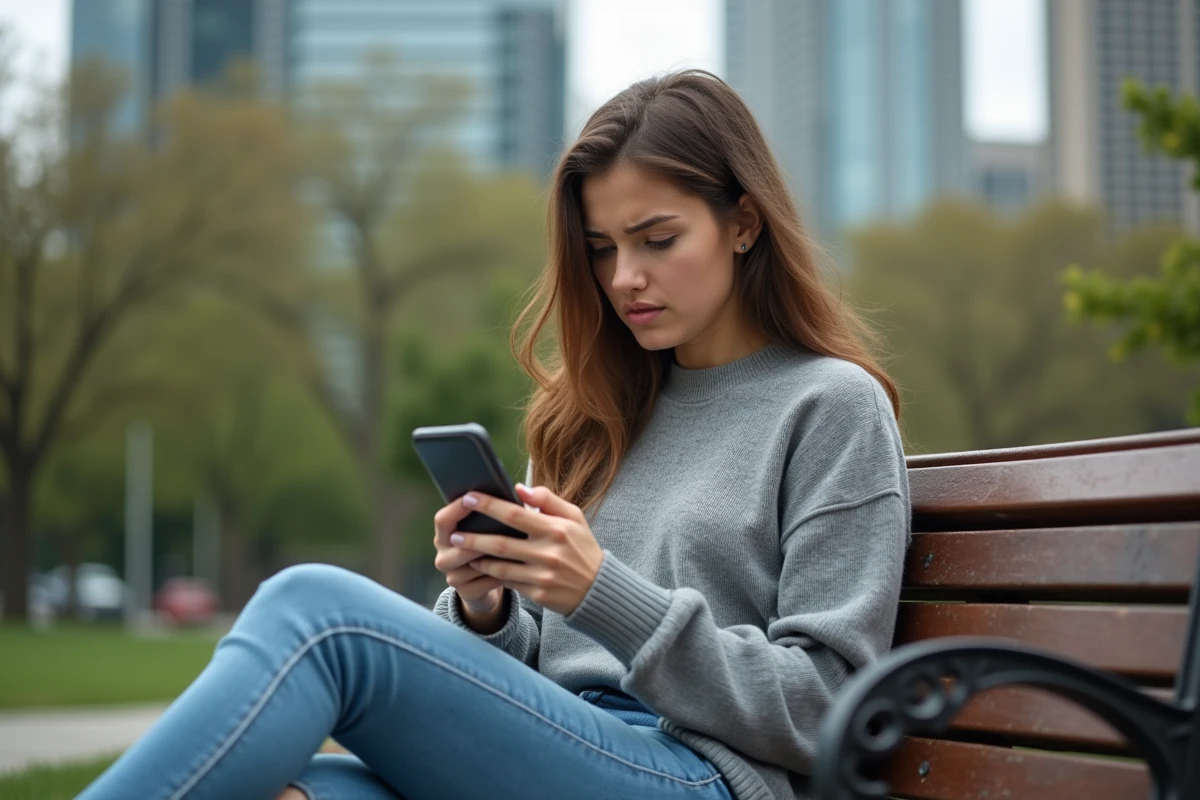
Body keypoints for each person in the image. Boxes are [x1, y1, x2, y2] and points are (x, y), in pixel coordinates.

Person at [79, 69, 910, 800]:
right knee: (284, 791)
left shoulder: (828, 407)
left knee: (318, 613)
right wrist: (486, 605)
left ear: (744, 224)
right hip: (560, 753)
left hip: (697, 776)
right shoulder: (594, 416)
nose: (626, 277)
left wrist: (605, 594)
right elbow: (538, 668)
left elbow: (830, 706)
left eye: (658, 240)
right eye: (600, 249)